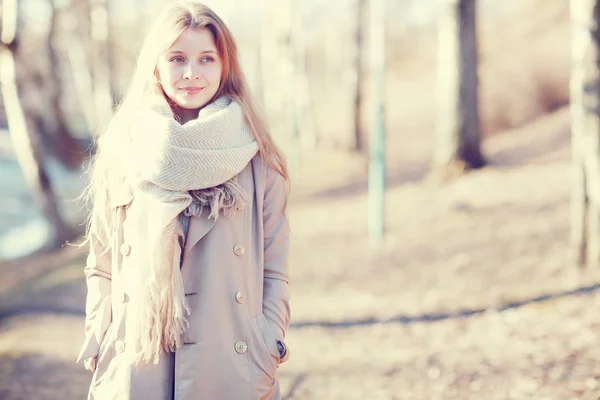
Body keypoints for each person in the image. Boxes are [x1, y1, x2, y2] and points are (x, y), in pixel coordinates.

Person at [77, 1, 291, 399]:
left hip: (232, 365)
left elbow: (275, 266)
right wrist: (99, 333)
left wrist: (269, 341)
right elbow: (102, 263)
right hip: (136, 359)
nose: (192, 73)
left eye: (206, 58)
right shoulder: (125, 148)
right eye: (177, 58)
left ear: (225, 66)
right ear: (155, 66)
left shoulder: (257, 155)